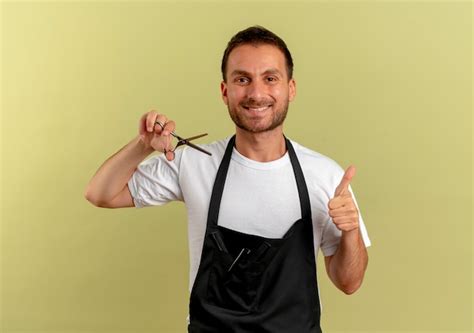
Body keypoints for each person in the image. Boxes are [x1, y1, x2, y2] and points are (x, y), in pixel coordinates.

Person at [85, 25, 371, 333]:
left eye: (270, 78)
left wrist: (351, 231)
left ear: (290, 88)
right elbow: (100, 193)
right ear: (225, 91)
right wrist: (142, 145)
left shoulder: (324, 174)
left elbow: (349, 282)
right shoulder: (194, 163)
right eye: (242, 79)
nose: (256, 93)